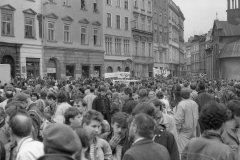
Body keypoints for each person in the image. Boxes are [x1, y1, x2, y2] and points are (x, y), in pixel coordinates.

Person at [174, 88, 199, 153]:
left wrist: (177, 130)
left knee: (183, 152)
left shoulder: (181, 104)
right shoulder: (194, 103)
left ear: (181, 95)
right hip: (193, 129)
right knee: (193, 151)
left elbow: (178, 120)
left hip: (184, 131)